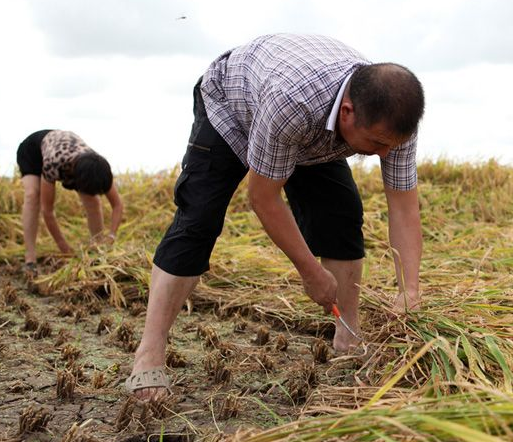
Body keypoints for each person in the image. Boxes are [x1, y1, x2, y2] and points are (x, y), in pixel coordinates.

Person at [125, 33, 424, 400]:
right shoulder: (292, 104)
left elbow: (404, 205)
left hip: (312, 127)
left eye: (391, 145)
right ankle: (149, 353)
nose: (384, 154)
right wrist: (311, 272)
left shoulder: (392, 122)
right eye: (378, 144)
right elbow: (264, 198)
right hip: (231, 108)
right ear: (348, 112)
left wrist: (409, 288)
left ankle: (348, 335)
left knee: (341, 216)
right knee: (198, 222)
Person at [16, 129, 124, 269]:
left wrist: (111, 236)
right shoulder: (53, 164)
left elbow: (117, 205)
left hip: (70, 155)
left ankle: (97, 249)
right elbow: (47, 211)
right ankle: (30, 258)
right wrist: (64, 247)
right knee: (32, 195)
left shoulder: (98, 168)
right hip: (32, 151)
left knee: (93, 201)